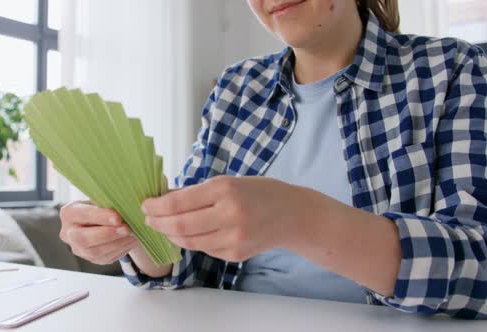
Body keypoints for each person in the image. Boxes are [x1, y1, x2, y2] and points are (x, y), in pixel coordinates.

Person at [59, 0, 487, 319]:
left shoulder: (452, 70)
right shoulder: (235, 88)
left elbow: (478, 268)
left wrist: (302, 218)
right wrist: (137, 238)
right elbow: (187, 262)